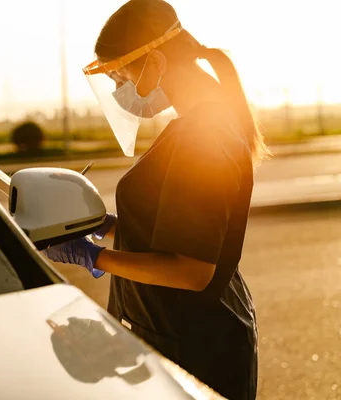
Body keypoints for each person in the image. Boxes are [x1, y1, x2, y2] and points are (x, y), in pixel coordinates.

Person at [43, 1, 269, 399]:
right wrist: (101, 224)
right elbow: (168, 229)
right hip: (173, 331)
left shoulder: (206, 135)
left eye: (120, 74)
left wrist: (92, 256)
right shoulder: (188, 127)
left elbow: (191, 270)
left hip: (199, 346)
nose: (118, 90)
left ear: (156, 62)